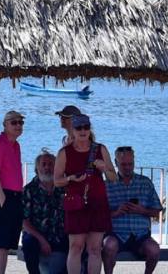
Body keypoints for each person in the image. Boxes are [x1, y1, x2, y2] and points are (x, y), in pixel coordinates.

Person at [53, 113, 117, 274]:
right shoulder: (64, 153)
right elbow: (57, 181)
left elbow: (113, 177)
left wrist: (104, 168)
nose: (83, 131)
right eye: (79, 128)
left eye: (86, 127)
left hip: (97, 203)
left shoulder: (100, 149)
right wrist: (71, 178)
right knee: (75, 247)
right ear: (72, 131)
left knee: (95, 249)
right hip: (76, 203)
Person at [106, 146, 163, 274]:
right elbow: (97, 215)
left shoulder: (145, 182)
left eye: (130, 164)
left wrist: (142, 210)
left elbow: (157, 211)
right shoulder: (107, 184)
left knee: (154, 250)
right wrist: (116, 212)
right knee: (109, 246)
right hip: (115, 233)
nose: (127, 167)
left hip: (140, 235)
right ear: (115, 163)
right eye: (123, 164)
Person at [0, 110, 26, 274]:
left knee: (7, 244)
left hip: (15, 196)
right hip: (2, 196)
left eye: (20, 122)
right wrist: (3, 201)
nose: (18, 126)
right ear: (5, 125)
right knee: (0, 244)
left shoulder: (15, 145)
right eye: (14, 122)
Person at [23, 150, 68, 274]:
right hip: (36, 235)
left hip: (59, 235)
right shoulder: (29, 190)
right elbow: (24, 221)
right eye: (43, 164)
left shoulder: (63, 189)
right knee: (28, 243)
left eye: (51, 164)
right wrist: (42, 240)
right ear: (37, 169)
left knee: (79, 244)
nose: (47, 167)